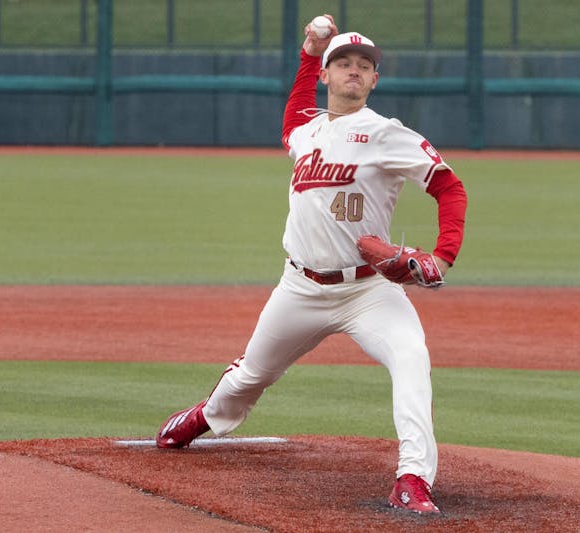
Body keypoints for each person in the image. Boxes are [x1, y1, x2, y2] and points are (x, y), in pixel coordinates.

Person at [156, 14, 467, 515]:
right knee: (251, 374)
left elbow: (449, 186)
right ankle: (204, 417)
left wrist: (443, 255)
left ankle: (412, 478)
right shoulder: (307, 130)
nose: (353, 70)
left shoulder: (386, 133)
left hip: (369, 292)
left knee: (412, 359)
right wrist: (307, 51)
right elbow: (294, 115)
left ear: (374, 79)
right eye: (342, 62)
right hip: (299, 287)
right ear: (327, 76)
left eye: (363, 65)